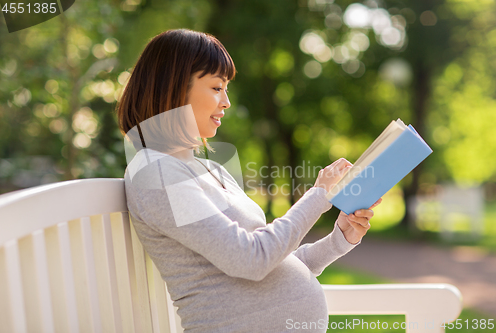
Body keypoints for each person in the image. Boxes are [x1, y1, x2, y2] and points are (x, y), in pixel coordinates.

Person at [116, 28, 382, 333]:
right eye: (217, 87)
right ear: (173, 88)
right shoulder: (155, 174)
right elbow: (250, 260)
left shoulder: (210, 171)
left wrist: (339, 240)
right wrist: (319, 195)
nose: (226, 101)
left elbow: (272, 261)